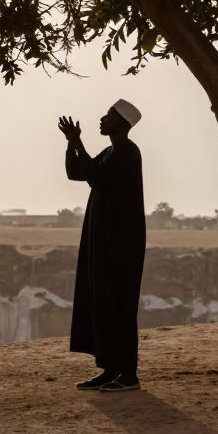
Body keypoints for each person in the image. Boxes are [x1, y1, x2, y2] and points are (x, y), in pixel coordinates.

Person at [58, 99, 146, 392]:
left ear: (122, 124)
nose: (102, 119)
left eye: (109, 116)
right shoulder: (111, 151)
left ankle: (128, 375)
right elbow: (77, 172)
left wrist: (79, 143)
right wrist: (73, 143)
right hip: (104, 238)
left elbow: (95, 177)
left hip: (121, 241)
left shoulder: (126, 152)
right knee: (102, 303)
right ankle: (110, 370)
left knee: (119, 305)